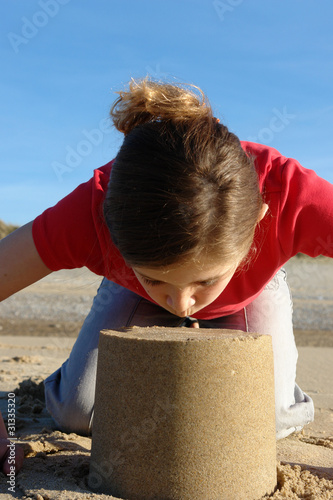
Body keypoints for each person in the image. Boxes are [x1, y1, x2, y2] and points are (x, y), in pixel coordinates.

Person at [0, 77, 330, 473]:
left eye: (204, 281)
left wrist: (189, 281)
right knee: (80, 413)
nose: (180, 304)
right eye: (157, 279)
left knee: (265, 421)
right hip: (128, 289)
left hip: (250, 287)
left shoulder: (289, 194)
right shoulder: (92, 209)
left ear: (258, 223)